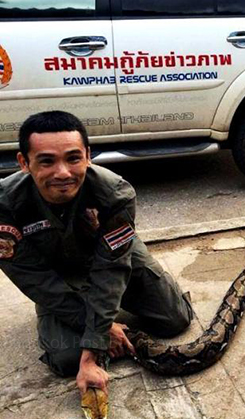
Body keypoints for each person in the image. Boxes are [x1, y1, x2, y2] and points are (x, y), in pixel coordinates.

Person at [0, 111, 193, 397]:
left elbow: (112, 269)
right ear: (24, 163)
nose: (63, 173)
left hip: (112, 256)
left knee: (174, 321)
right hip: (58, 274)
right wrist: (101, 334)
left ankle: (110, 304)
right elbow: (34, 279)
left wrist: (94, 339)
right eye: (47, 161)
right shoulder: (5, 206)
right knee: (66, 360)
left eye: (73, 158)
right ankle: (85, 307)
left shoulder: (115, 193)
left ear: (88, 156)